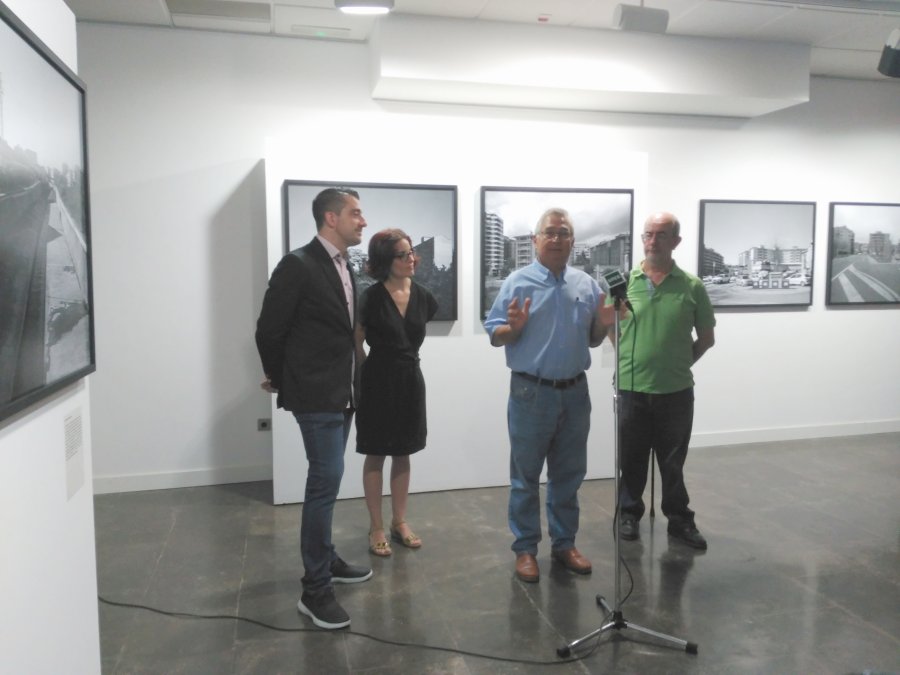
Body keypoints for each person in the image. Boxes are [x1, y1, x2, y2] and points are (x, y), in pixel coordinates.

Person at [255, 187, 373, 630]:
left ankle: (327, 559)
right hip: (316, 394)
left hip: (343, 393)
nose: (363, 221)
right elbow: (269, 330)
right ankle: (315, 589)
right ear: (331, 218)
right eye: (355, 213)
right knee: (324, 483)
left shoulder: (345, 265)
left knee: (328, 481)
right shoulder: (298, 264)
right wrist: (281, 377)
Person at [484, 207, 618, 583]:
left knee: (568, 475)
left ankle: (564, 544)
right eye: (550, 232)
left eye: (564, 233)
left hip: (575, 393)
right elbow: (495, 335)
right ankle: (525, 549)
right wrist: (513, 329)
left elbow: (593, 340)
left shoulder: (586, 285)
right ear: (535, 240)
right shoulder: (517, 282)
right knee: (525, 477)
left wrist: (604, 322)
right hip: (531, 392)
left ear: (573, 241)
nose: (557, 239)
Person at [613, 211, 716, 550]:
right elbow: (610, 328)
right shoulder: (623, 283)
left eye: (661, 234)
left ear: (676, 241)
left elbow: (706, 338)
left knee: (672, 463)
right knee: (631, 459)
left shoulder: (691, 286)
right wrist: (628, 358)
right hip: (632, 389)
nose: (653, 240)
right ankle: (629, 513)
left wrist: (678, 363)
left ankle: (679, 519)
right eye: (648, 234)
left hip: (676, 391)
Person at [355, 229, 438, 557]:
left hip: (410, 380)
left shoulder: (424, 297)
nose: (411, 259)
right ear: (385, 261)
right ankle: (376, 525)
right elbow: (357, 341)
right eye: (402, 255)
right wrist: (364, 375)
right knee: (375, 452)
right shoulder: (370, 298)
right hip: (377, 381)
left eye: (411, 252)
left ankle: (399, 521)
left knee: (404, 451)